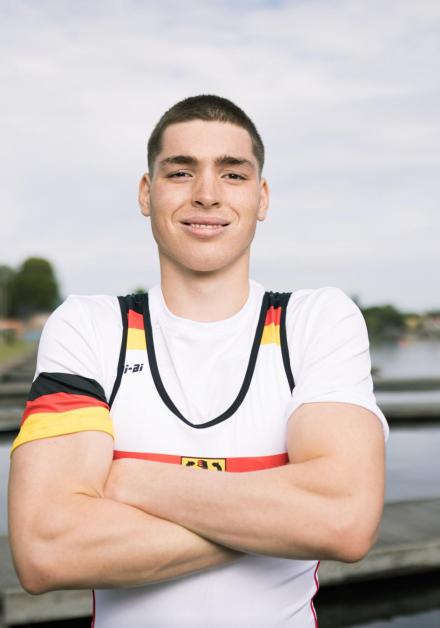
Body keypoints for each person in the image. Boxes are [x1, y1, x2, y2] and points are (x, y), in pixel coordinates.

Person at [8, 94, 389, 628]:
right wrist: (282, 518)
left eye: (233, 174)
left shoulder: (316, 321)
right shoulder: (89, 327)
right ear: (147, 193)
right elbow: (47, 550)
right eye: (181, 172)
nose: (207, 195)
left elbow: (344, 521)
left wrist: (132, 481)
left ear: (261, 197)